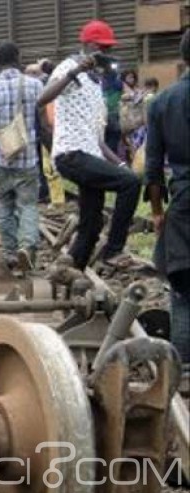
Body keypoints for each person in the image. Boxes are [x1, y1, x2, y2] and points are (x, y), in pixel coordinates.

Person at [39, 20, 141, 270]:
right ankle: (113, 250)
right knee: (130, 183)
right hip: (71, 153)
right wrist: (76, 71)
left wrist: (119, 162)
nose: (105, 54)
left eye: (108, 50)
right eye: (101, 48)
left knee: (92, 224)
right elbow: (43, 98)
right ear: (88, 46)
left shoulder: (98, 86)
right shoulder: (70, 66)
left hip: (89, 154)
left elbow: (96, 138)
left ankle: (72, 272)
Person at [0, 42, 45, 270]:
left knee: (3, 206)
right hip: (28, 158)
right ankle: (28, 246)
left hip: (2, 159)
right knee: (28, 205)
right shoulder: (35, 85)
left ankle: (11, 253)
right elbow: (44, 126)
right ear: (18, 57)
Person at [145, 28, 190, 368]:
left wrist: (158, 213)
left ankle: (183, 377)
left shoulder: (162, 102)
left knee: (183, 294)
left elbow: (153, 168)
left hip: (184, 205)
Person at [119, 69, 148, 163]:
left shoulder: (138, 90)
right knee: (129, 146)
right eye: (129, 77)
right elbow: (122, 100)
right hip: (127, 122)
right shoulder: (121, 89)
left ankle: (137, 163)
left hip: (139, 122)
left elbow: (142, 103)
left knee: (138, 145)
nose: (131, 79)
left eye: (133, 77)